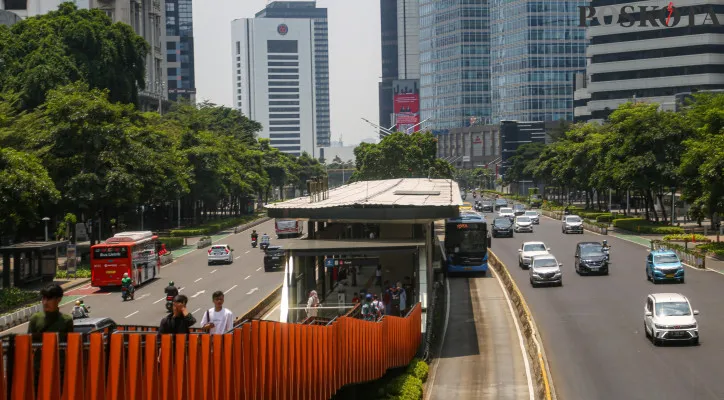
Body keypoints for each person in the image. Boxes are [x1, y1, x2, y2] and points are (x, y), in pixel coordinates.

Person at [28, 284, 74, 384]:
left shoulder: (67, 320)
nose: (45, 302)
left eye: (49, 299)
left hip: (59, 369)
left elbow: (71, 347)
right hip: (38, 369)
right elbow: (28, 345)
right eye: (43, 299)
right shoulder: (35, 319)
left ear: (59, 299)